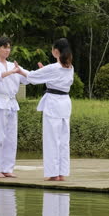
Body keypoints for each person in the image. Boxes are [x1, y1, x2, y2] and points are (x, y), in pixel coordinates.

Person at [23, 38, 74, 181]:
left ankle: (52, 173)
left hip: (53, 103)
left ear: (56, 51)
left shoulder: (54, 67)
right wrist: (44, 73)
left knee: (52, 139)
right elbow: (55, 81)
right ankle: (62, 173)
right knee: (63, 139)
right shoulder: (69, 67)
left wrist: (18, 69)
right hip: (64, 103)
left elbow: (31, 77)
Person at [0, 36, 28, 178]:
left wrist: (21, 71)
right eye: (4, 47)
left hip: (12, 103)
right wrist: (13, 71)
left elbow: (28, 77)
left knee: (11, 137)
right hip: (0, 101)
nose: (7, 50)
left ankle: (7, 168)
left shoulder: (13, 65)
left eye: (9, 48)